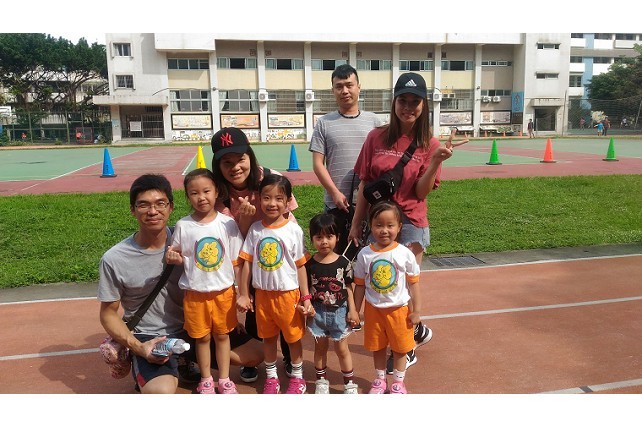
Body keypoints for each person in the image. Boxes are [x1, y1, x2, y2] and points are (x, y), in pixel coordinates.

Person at [98, 174, 263, 394]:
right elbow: (108, 314)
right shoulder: (115, 258)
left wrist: (226, 313)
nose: (153, 211)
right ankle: (148, 361)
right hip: (153, 335)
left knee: (255, 355)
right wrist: (139, 347)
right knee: (161, 392)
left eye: (160, 204)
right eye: (143, 205)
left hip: (194, 323)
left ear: (171, 207)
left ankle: (185, 360)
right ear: (132, 210)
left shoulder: (188, 234)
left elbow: (228, 254)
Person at [348, 72, 452, 374]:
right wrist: (356, 223)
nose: (408, 107)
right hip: (379, 223)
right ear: (393, 102)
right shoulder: (376, 137)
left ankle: (406, 346)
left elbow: (420, 192)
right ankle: (415, 332)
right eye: (402, 100)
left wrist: (435, 161)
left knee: (404, 289)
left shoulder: (430, 144)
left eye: (415, 101)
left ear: (424, 105)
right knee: (381, 284)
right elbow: (365, 183)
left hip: (411, 224)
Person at [211, 126, 298, 379]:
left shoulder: (271, 178)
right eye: (227, 163)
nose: (235, 168)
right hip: (248, 257)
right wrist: (246, 221)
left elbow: (289, 218)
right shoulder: (219, 194)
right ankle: (254, 357)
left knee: (287, 309)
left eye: (240, 159)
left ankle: (290, 357)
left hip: (279, 254)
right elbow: (230, 239)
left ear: (249, 156)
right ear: (218, 166)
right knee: (253, 309)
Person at [165, 168, 244, 394]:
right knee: (202, 338)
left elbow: (236, 261)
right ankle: (206, 379)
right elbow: (175, 251)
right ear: (187, 196)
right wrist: (173, 256)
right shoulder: (183, 225)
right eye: (194, 193)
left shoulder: (227, 223)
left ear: (216, 192)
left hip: (223, 293)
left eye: (206, 191)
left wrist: (241, 291)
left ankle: (225, 379)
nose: (201, 197)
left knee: (222, 336)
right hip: (195, 294)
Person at [236, 174, 314, 394]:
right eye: (267, 197)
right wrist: (244, 293)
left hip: (289, 296)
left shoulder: (294, 230)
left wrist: (306, 297)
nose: (272, 203)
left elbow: (300, 266)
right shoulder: (255, 230)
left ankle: (297, 378)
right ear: (259, 199)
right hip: (263, 296)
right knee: (268, 339)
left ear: (288, 201)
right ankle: (271, 378)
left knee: (293, 339)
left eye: (279, 198)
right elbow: (247, 263)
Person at [309, 64, 383, 260]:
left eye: (349, 85)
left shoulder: (375, 122)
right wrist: (334, 193)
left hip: (370, 204)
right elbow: (317, 164)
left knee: (372, 260)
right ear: (332, 90)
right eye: (339, 86)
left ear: (359, 87)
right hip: (336, 206)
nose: (345, 91)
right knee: (337, 261)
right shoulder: (324, 123)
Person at [353, 201, 422, 394]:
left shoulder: (404, 254)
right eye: (379, 225)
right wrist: (355, 311)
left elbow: (414, 284)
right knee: (378, 347)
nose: (384, 230)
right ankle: (380, 380)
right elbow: (359, 285)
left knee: (400, 348)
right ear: (371, 226)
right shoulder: (365, 254)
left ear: (399, 227)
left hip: (399, 311)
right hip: (373, 311)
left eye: (390, 225)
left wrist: (416, 310)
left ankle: (398, 382)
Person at [305, 213, 360, 394]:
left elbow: (349, 288)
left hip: (340, 312)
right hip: (317, 312)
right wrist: (307, 306)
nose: (324, 242)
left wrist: (353, 310)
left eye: (329, 236)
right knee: (320, 349)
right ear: (312, 239)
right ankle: (321, 382)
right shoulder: (309, 264)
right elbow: (305, 289)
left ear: (337, 237)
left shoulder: (344, 263)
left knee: (342, 349)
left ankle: (349, 383)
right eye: (319, 237)